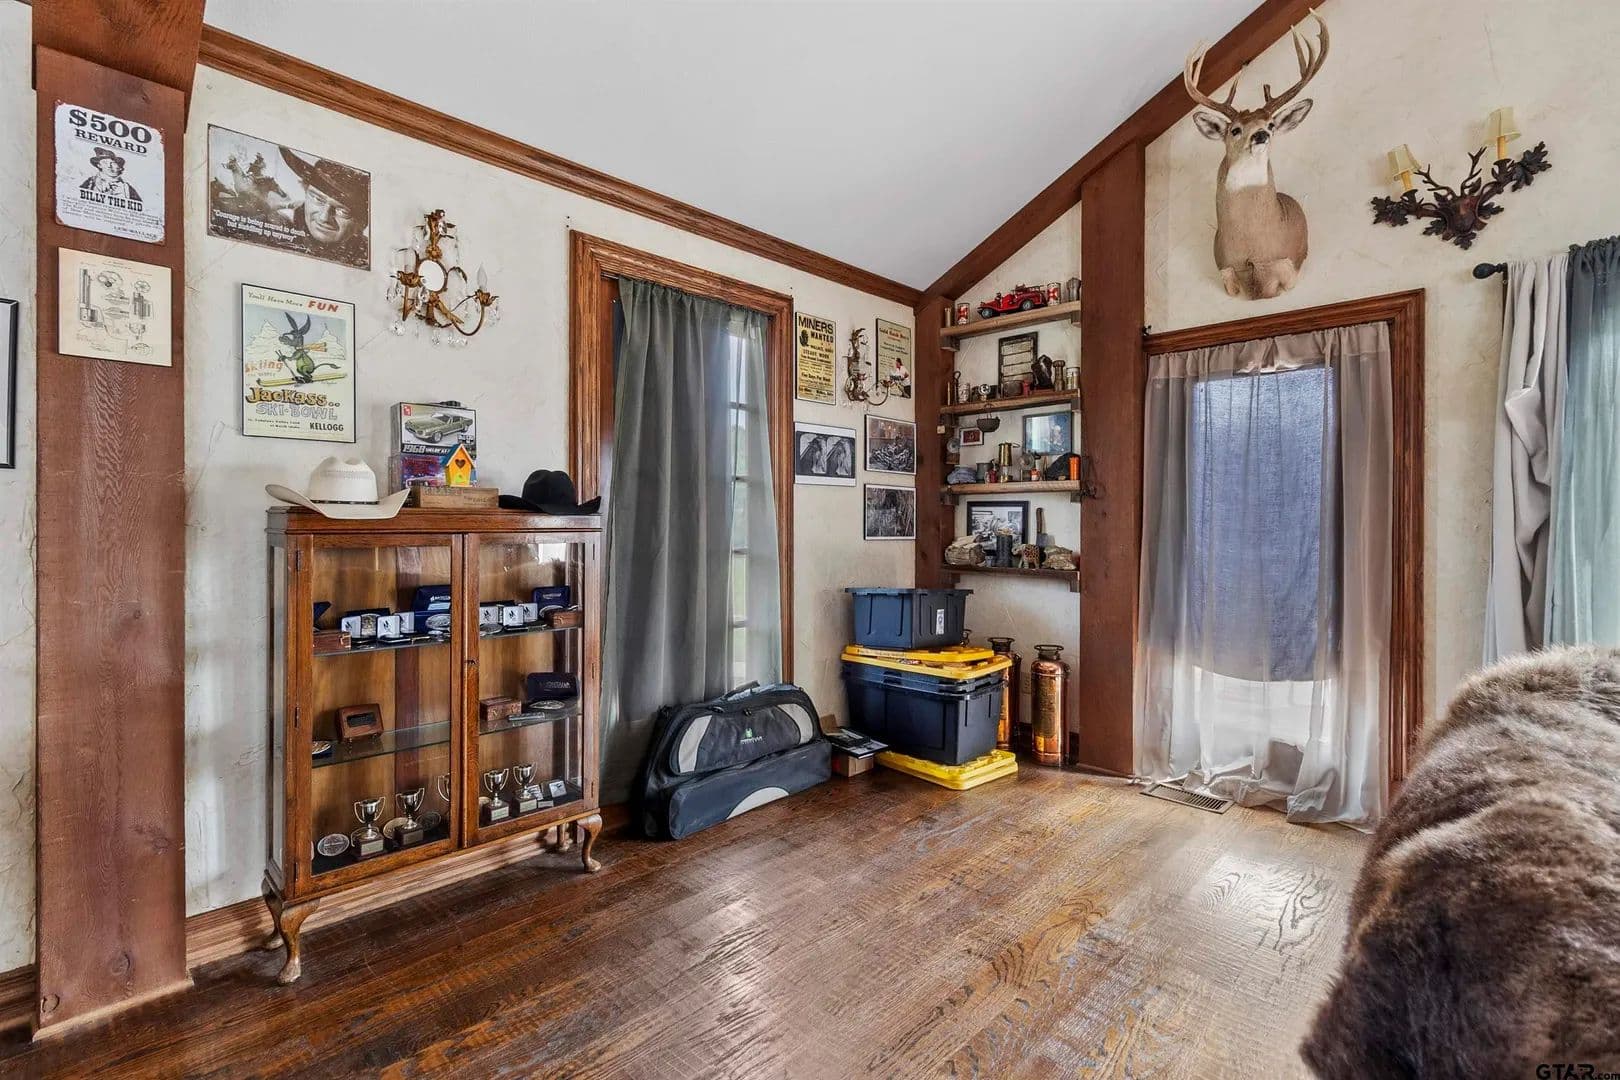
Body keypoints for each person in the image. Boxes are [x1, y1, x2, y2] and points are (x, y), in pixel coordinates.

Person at [276, 147, 370, 265]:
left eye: (343, 211)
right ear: (305, 192)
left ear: (361, 222)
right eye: (317, 199)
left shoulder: (369, 254)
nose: (324, 217)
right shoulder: (275, 226)